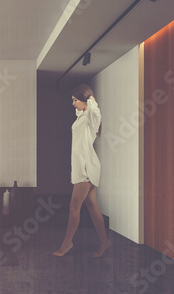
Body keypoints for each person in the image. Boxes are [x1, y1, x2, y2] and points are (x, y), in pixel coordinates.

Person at [53, 83, 111, 257]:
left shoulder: (92, 117)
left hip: (86, 168)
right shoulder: (81, 116)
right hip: (81, 166)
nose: (73, 103)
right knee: (92, 207)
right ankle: (105, 241)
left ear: (84, 100)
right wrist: (84, 104)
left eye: (75, 100)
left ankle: (67, 243)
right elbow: (82, 111)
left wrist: (91, 99)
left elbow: (95, 112)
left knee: (73, 207)